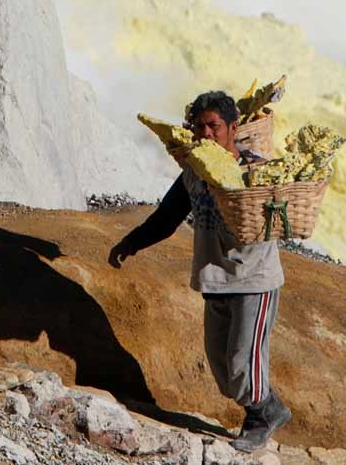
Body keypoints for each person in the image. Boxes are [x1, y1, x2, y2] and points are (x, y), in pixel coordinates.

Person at [108, 90, 290, 453]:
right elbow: (167, 217)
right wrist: (131, 243)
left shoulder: (254, 171)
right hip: (215, 277)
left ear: (233, 128)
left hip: (254, 279)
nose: (206, 134)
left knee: (242, 366)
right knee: (223, 372)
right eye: (200, 126)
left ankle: (264, 414)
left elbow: (276, 215)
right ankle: (263, 409)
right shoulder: (193, 172)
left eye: (214, 126)